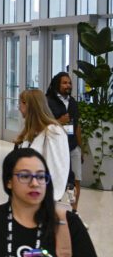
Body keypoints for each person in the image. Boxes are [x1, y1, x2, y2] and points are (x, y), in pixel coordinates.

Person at [15, 89, 70, 203]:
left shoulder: (53, 131)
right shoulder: (31, 132)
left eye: (20, 103)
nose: (18, 108)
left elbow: (58, 167)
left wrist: (48, 195)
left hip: (44, 197)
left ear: (28, 105)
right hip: (28, 195)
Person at [46, 72, 81, 210]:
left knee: (76, 179)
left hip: (73, 146)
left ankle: (74, 211)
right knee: (57, 180)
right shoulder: (48, 101)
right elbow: (42, 124)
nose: (68, 86)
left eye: (70, 83)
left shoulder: (72, 102)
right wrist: (58, 121)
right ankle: (53, 211)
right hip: (56, 148)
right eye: (64, 83)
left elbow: (77, 126)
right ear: (57, 84)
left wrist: (81, 147)